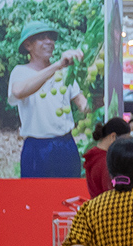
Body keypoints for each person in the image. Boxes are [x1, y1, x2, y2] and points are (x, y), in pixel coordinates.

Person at [10, 20, 89, 178]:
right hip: (36, 147)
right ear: (28, 45)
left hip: (65, 144)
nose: (49, 42)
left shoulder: (65, 73)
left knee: (68, 192)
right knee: (36, 192)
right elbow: (19, 91)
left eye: (50, 37)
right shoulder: (20, 72)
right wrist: (57, 66)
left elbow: (83, 105)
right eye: (42, 38)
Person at [84, 118, 131, 198]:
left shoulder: (93, 155)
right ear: (113, 136)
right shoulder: (107, 162)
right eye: (124, 140)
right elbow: (112, 193)